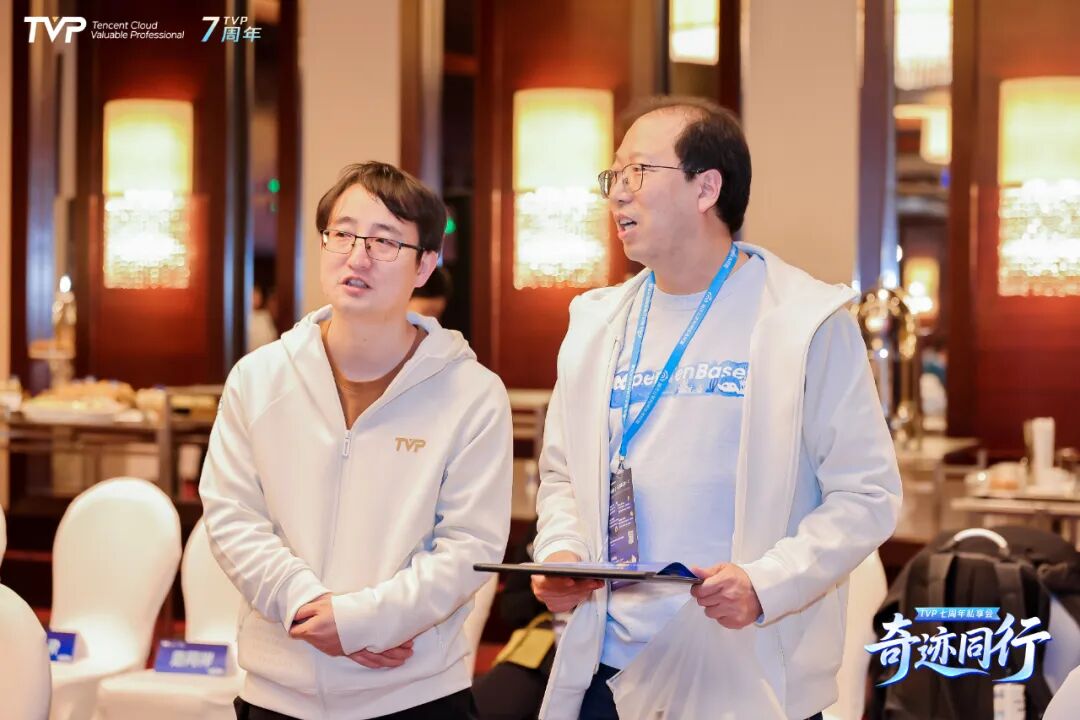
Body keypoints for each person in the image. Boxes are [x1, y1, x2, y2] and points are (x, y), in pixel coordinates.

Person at [530, 96, 902, 720]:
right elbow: (563, 474)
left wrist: (766, 583)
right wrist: (564, 554)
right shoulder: (597, 323)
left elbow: (866, 495)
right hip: (609, 663)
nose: (617, 193)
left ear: (707, 188)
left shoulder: (804, 321)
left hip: (744, 668)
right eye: (613, 175)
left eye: (637, 171)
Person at [200, 161, 513, 720]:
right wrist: (307, 604)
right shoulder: (258, 378)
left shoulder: (473, 393)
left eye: (385, 241)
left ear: (425, 265)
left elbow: (471, 546)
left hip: (415, 695)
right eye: (342, 234)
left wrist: (364, 621)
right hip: (277, 692)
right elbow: (231, 516)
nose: (358, 256)